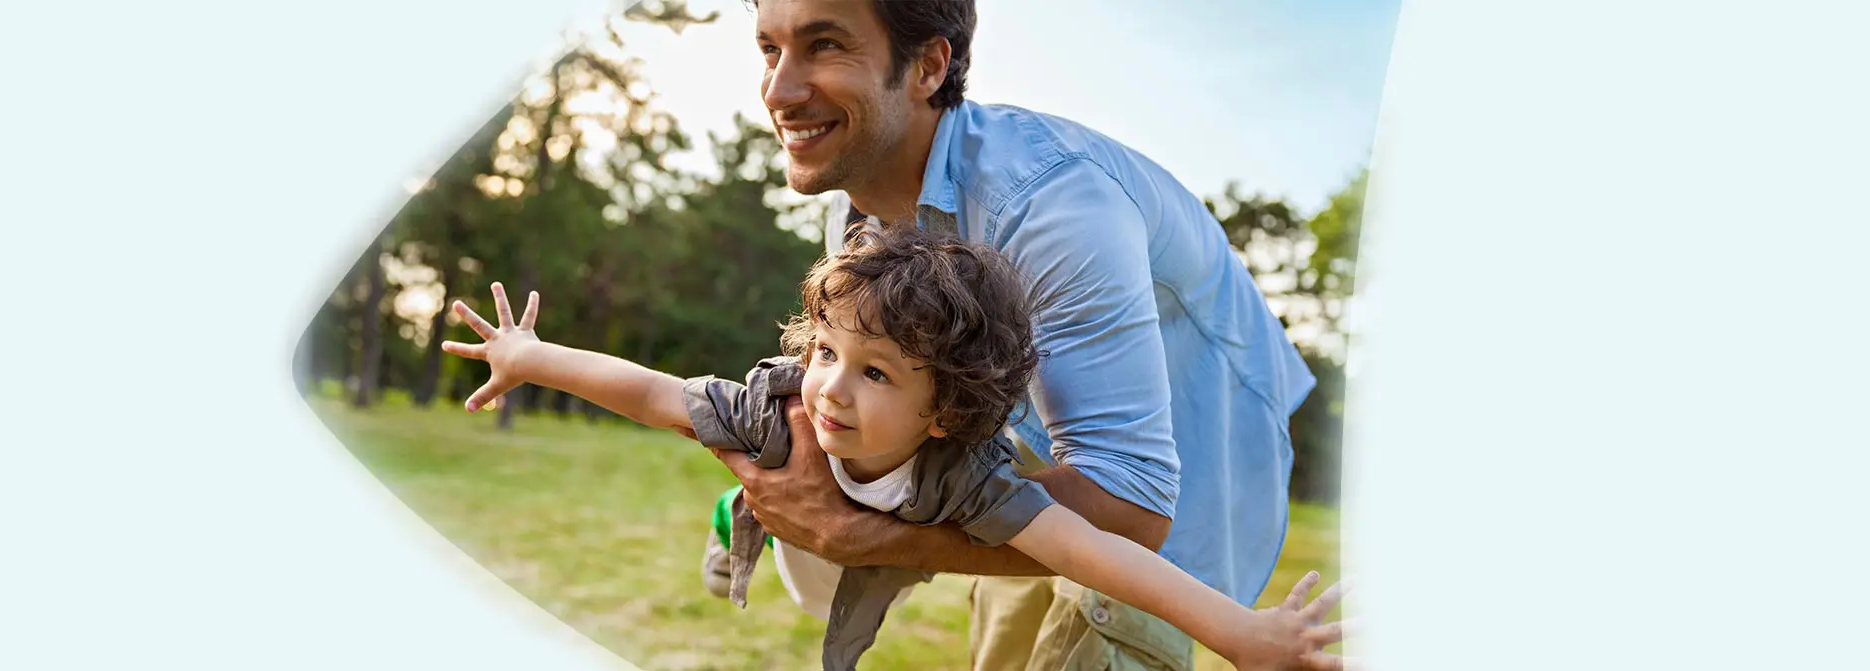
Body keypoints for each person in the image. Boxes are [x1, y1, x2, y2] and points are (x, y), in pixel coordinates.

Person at [716, 1, 1335, 669]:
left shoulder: (1050, 206)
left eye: (826, 45)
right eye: (770, 50)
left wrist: (865, 535)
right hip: (1024, 450)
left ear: (928, 66)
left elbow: (1132, 505)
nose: (778, 91)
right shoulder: (857, 197)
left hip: (1169, 464)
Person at [439, 226, 1349, 669]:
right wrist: (531, 357)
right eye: (827, 351)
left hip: (885, 546)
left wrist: (1242, 633)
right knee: (768, 521)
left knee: (861, 578)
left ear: (943, 409)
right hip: (795, 521)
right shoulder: (781, 411)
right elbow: (650, 390)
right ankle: (733, 514)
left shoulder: (970, 478)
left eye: (876, 372)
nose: (834, 386)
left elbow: (1097, 553)